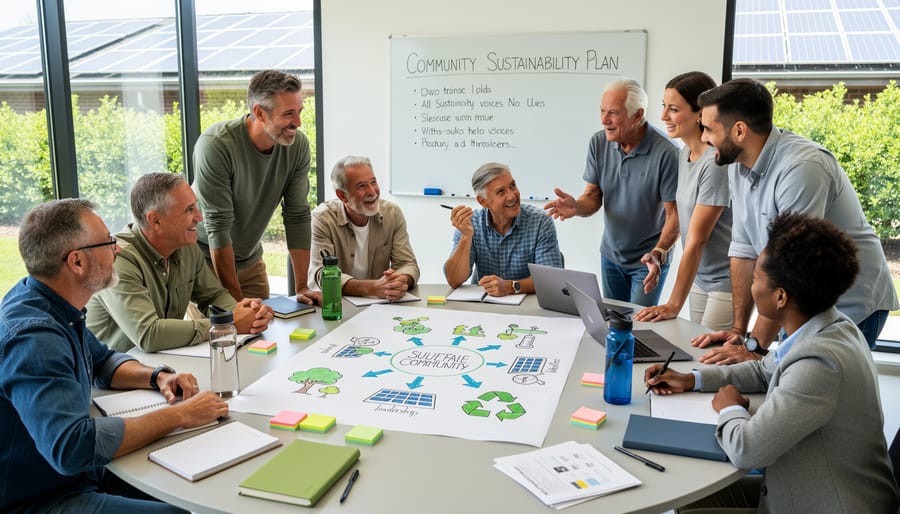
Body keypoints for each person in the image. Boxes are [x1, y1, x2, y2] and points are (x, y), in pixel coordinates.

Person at [646, 212, 899, 513]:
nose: (750, 284)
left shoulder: (820, 363)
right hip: (804, 486)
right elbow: (764, 370)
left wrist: (730, 407)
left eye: (755, 278)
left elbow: (746, 450)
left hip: (831, 505)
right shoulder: (828, 325)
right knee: (690, 496)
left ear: (780, 297)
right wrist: (693, 379)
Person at [0, 199, 228, 513]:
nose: (117, 250)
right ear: (77, 262)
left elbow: (103, 361)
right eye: (109, 242)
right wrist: (181, 415)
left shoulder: (50, 303)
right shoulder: (35, 339)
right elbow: (71, 446)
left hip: (75, 475)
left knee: (201, 485)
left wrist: (157, 376)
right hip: (39, 497)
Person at [691, 78, 899, 364]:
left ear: (739, 131)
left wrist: (754, 347)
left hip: (849, 305)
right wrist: (739, 331)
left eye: (709, 129)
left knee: (816, 396)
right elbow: (743, 250)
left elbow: (789, 265)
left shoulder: (802, 167)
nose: (703, 138)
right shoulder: (736, 165)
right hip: (800, 299)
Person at [86, 173, 274, 353]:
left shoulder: (186, 246)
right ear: (155, 220)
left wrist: (248, 314)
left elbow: (212, 296)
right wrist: (226, 323)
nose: (199, 217)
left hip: (161, 368)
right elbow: (149, 334)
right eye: (189, 209)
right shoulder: (118, 259)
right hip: (115, 379)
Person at [544, 78, 679, 307]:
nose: (604, 119)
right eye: (602, 110)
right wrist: (576, 207)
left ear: (637, 115)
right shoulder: (599, 142)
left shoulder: (667, 152)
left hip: (648, 259)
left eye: (613, 113)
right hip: (611, 255)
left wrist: (658, 253)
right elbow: (593, 195)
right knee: (612, 320)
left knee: (637, 326)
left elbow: (674, 215)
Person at [192, 69, 318, 304]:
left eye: (300, 112)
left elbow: (297, 215)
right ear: (259, 113)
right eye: (289, 114)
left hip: (250, 258)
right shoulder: (215, 145)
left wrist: (302, 286)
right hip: (204, 259)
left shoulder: (297, 146)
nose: (298, 123)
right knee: (225, 333)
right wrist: (237, 303)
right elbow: (217, 227)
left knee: (264, 333)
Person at [635, 72, 733, 330]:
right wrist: (659, 252)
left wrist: (673, 304)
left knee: (709, 359)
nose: (663, 117)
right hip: (700, 279)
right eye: (664, 107)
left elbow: (698, 239)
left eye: (674, 109)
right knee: (695, 355)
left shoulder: (715, 163)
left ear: (700, 113)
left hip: (726, 283)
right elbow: (683, 219)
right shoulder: (684, 154)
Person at [307, 156, 419, 299]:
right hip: (333, 304)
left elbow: (407, 263)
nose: (372, 192)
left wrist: (401, 280)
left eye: (373, 182)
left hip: (378, 306)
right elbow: (322, 274)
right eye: (361, 186)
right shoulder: (323, 218)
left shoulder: (392, 213)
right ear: (342, 196)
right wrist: (372, 288)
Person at [444, 162, 562, 297]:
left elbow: (551, 280)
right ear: (483, 201)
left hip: (528, 306)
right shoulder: (471, 224)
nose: (512, 196)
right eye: (501, 192)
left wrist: (511, 286)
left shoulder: (540, 221)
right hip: (484, 307)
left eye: (513, 185)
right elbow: (454, 280)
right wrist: (466, 237)